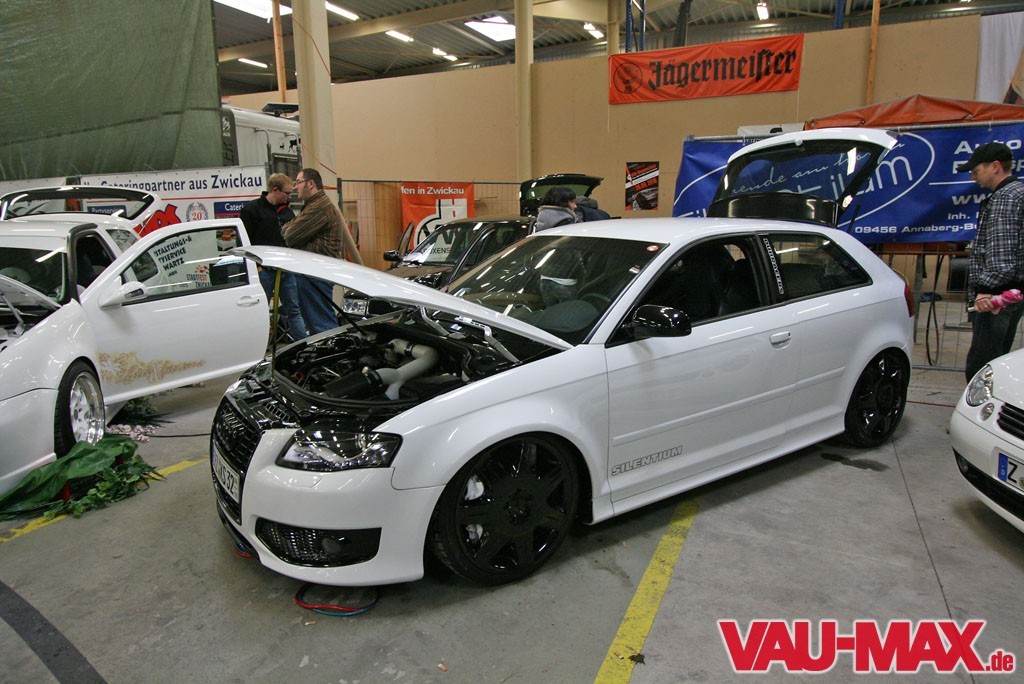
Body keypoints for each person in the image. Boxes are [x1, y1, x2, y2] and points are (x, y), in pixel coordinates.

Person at [959, 142, 1024, 381]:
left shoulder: (1005, 198)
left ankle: (980, 404)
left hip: (995, 299)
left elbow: (1001, 252)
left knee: (981, 368)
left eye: (976, 170)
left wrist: (986, 290)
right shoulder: (1017, 193)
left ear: (995, 166)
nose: (973, 176)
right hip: (1011, 294)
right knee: (995, 361)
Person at [282, 168, 363, 335]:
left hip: (316, 274)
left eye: (298, 182)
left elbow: (289, 235)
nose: (295, 187)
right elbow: (290, 231)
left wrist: (289, 229)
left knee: (322, 326)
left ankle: (334, 350)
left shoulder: (320, 208)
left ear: (311, 184)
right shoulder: (312, 206)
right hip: (312, 273)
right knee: (316, 324)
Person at [239, 173, 307, 341]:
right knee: (260, 311)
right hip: (263, 270)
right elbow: (244, 241)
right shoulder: (251, 210)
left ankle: (302, 345)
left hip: (285, 270)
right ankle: (259, 346)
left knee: (294, 310)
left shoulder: (287, 213)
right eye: (286, 193)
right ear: (275, 190)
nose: (289, 197)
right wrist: (256, 267)